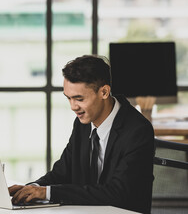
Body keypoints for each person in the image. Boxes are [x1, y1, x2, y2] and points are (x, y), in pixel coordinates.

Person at [9, 55, 155, 214]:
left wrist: (48, 193)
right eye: (68, 98)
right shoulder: (83, 123)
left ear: (104, 92)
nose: (73, 107)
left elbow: (117, 193)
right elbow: (62, 173)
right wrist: (33, 188)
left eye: (79, 98)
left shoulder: (138, 131)